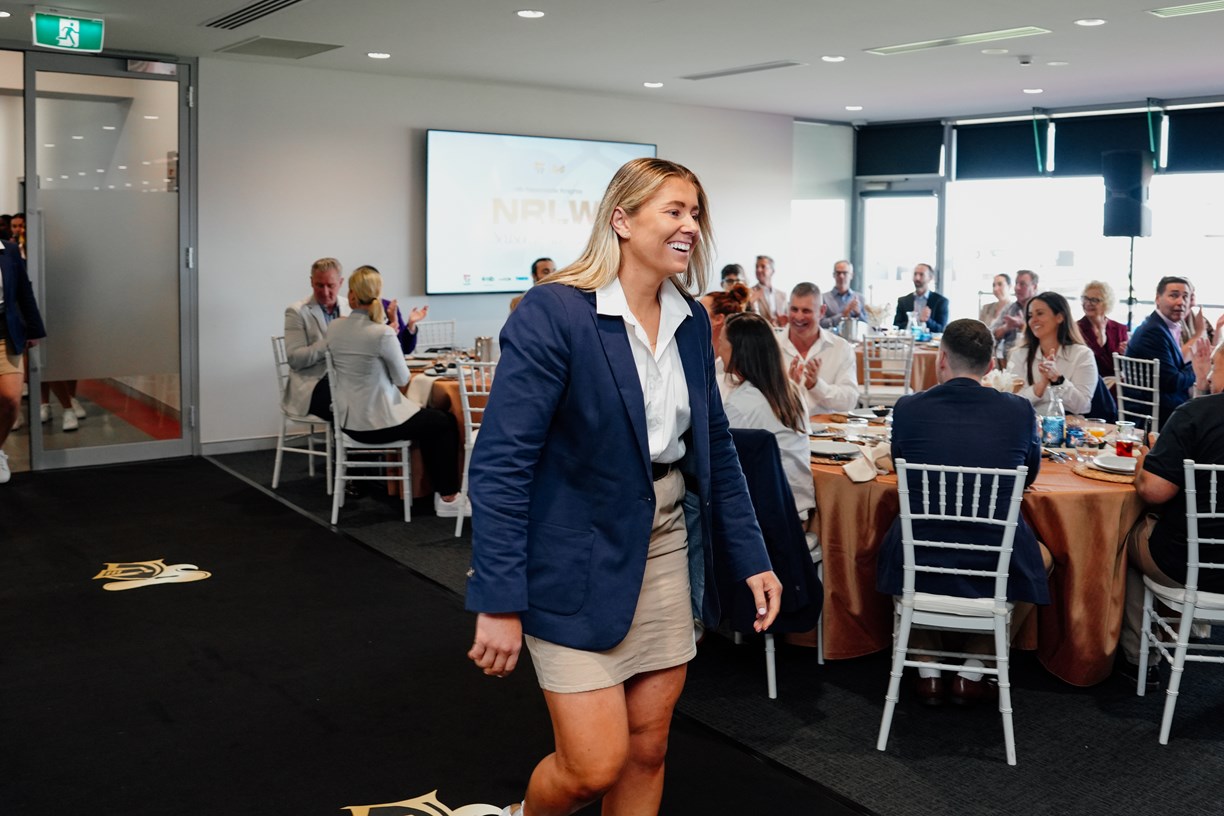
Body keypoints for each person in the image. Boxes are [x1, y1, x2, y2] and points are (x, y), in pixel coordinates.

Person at [464, 157, 781, 816]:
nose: (690, 225)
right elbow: (501, 464)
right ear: (622, 220)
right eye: (674, 210)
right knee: (591, 766)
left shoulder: (690, 319)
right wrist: (498, 598)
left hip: (664, 546)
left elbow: (714, 446)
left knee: (648, 749)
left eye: (696, 213)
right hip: (571, 555)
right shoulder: (557, 311)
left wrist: (753, 556)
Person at [876, 318, 1050, 705]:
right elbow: (1029, 475)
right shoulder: (1020, 411)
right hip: (993, 556)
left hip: (922, 552)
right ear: (990, 366)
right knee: (1043, 559)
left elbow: (900, 465)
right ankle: (975, 667)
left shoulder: (908, 408)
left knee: (899, 549)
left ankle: (927, 668)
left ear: (941, 358)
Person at [1117, 338, 1224, 689]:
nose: (1210, 374)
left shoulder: (1195, 415)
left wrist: (1144, 462)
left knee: (1128, 536)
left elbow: (1154, 490)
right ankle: (1187, 630)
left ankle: (1138, 658)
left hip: (1190, 564)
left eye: (1214, 366)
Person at [324, 265, 467, 517]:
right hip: (378, 425)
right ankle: (448, 497)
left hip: (347, 422)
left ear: (352, 295)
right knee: (442, 421)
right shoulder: (382, 333)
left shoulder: (335, 327)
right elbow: (402, 378)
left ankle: (432, 490)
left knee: (431, 420)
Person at [717, 311, 815, 524]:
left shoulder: (740, 405)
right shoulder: (791, 391)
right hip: (798, 511)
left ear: (738, 350)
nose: (719, 349)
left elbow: (724, 468)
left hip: (767, 521)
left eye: (722, 343)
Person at [1125, 276, 1212, 430]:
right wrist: (1198, 368)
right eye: (1174, 295)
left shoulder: (1163, 327)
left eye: (1185, 297)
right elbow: (1172, 382)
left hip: (1164, 404)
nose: (1181, 302)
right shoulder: (1153, 332)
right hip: (1157, 411)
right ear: (1158, 299)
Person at [0, 233, 47, 483]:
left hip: (5, 333)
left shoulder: (9, 251)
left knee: (10, 400)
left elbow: (23, 291)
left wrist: (34, 329)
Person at [1006, 292, 1098, 416]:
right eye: (1030, 316)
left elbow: (1083, 406)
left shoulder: (1082, 355)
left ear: (1059, 317)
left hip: (1068, 425)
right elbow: (1011, 402)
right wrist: (1039, 387)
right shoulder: (1019, 355)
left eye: (1040, 313)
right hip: (1028, 423)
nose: (1033, 320)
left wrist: (1058, 380)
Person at [778, 282, 860, 414]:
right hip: (782, 426)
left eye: (806, 311)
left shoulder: (840, 348)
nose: (799, 317)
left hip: (828, 427)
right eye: (794, 309)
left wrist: (816, 386)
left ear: (822, 311)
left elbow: (849, 400)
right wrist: (788, 389)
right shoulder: (771, 346)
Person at [283, 257, 346, 421]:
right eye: (319, 285)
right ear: (311, 282)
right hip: (312, 386)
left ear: (341, 282)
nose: (325, 292)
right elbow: (295, 359)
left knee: (374, 397)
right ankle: (345, 439)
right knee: (347, 405)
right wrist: (331, 341)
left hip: (347, 379)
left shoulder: (351, 307)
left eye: (330, 285)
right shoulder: (296, 311)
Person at [1077, 280, 1128, 378]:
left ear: (1106, 303)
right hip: (1089, 379)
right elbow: (1084, 363)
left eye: (1094, 300)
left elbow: (1123, 366)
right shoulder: (1076, 329)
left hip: (1116, 381)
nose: (1088, 303)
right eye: (1085, 298)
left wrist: (1127, 353)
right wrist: (1099, 343)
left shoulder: (1119, 328)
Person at [701, 281, 750, 373]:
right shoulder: (701, 356)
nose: (693, 315)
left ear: (718, 319)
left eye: (700, 311)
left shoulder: (731, 369)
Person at [989, 269, 1037, 363]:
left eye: (1022, 284)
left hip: (1033, 360)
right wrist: (1006, 327)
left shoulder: (1042, 308)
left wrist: (1022, 326)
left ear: (1034, 287)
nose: (1017, 288)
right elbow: (990, 334)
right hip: (1007, 361)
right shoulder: (1010, 308)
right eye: (1016, 283)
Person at [892, 263, 948, 333]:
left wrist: (927, 320)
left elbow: (941, 329)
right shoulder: (903, 301)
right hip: (907, 339)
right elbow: (896, 326)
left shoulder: (941, 301)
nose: (917, 278)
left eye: (921, 274)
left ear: (930, 278)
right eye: (915, 274)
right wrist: (915, 320)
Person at [820, 259, 866, 329]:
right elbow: (820, 324)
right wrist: (843, 315)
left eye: (845, 273)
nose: (841, 276)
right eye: (838, 273)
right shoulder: (823, 298)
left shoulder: (860, 299)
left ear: (851, 275)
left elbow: (868, 325)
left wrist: (858, 314)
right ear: (833, 275)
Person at [749, 254, 788, 327]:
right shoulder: (750, 293)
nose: (758, 270)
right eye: (757, 267)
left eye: (763, 266)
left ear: (772, 271)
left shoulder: (782, 295)